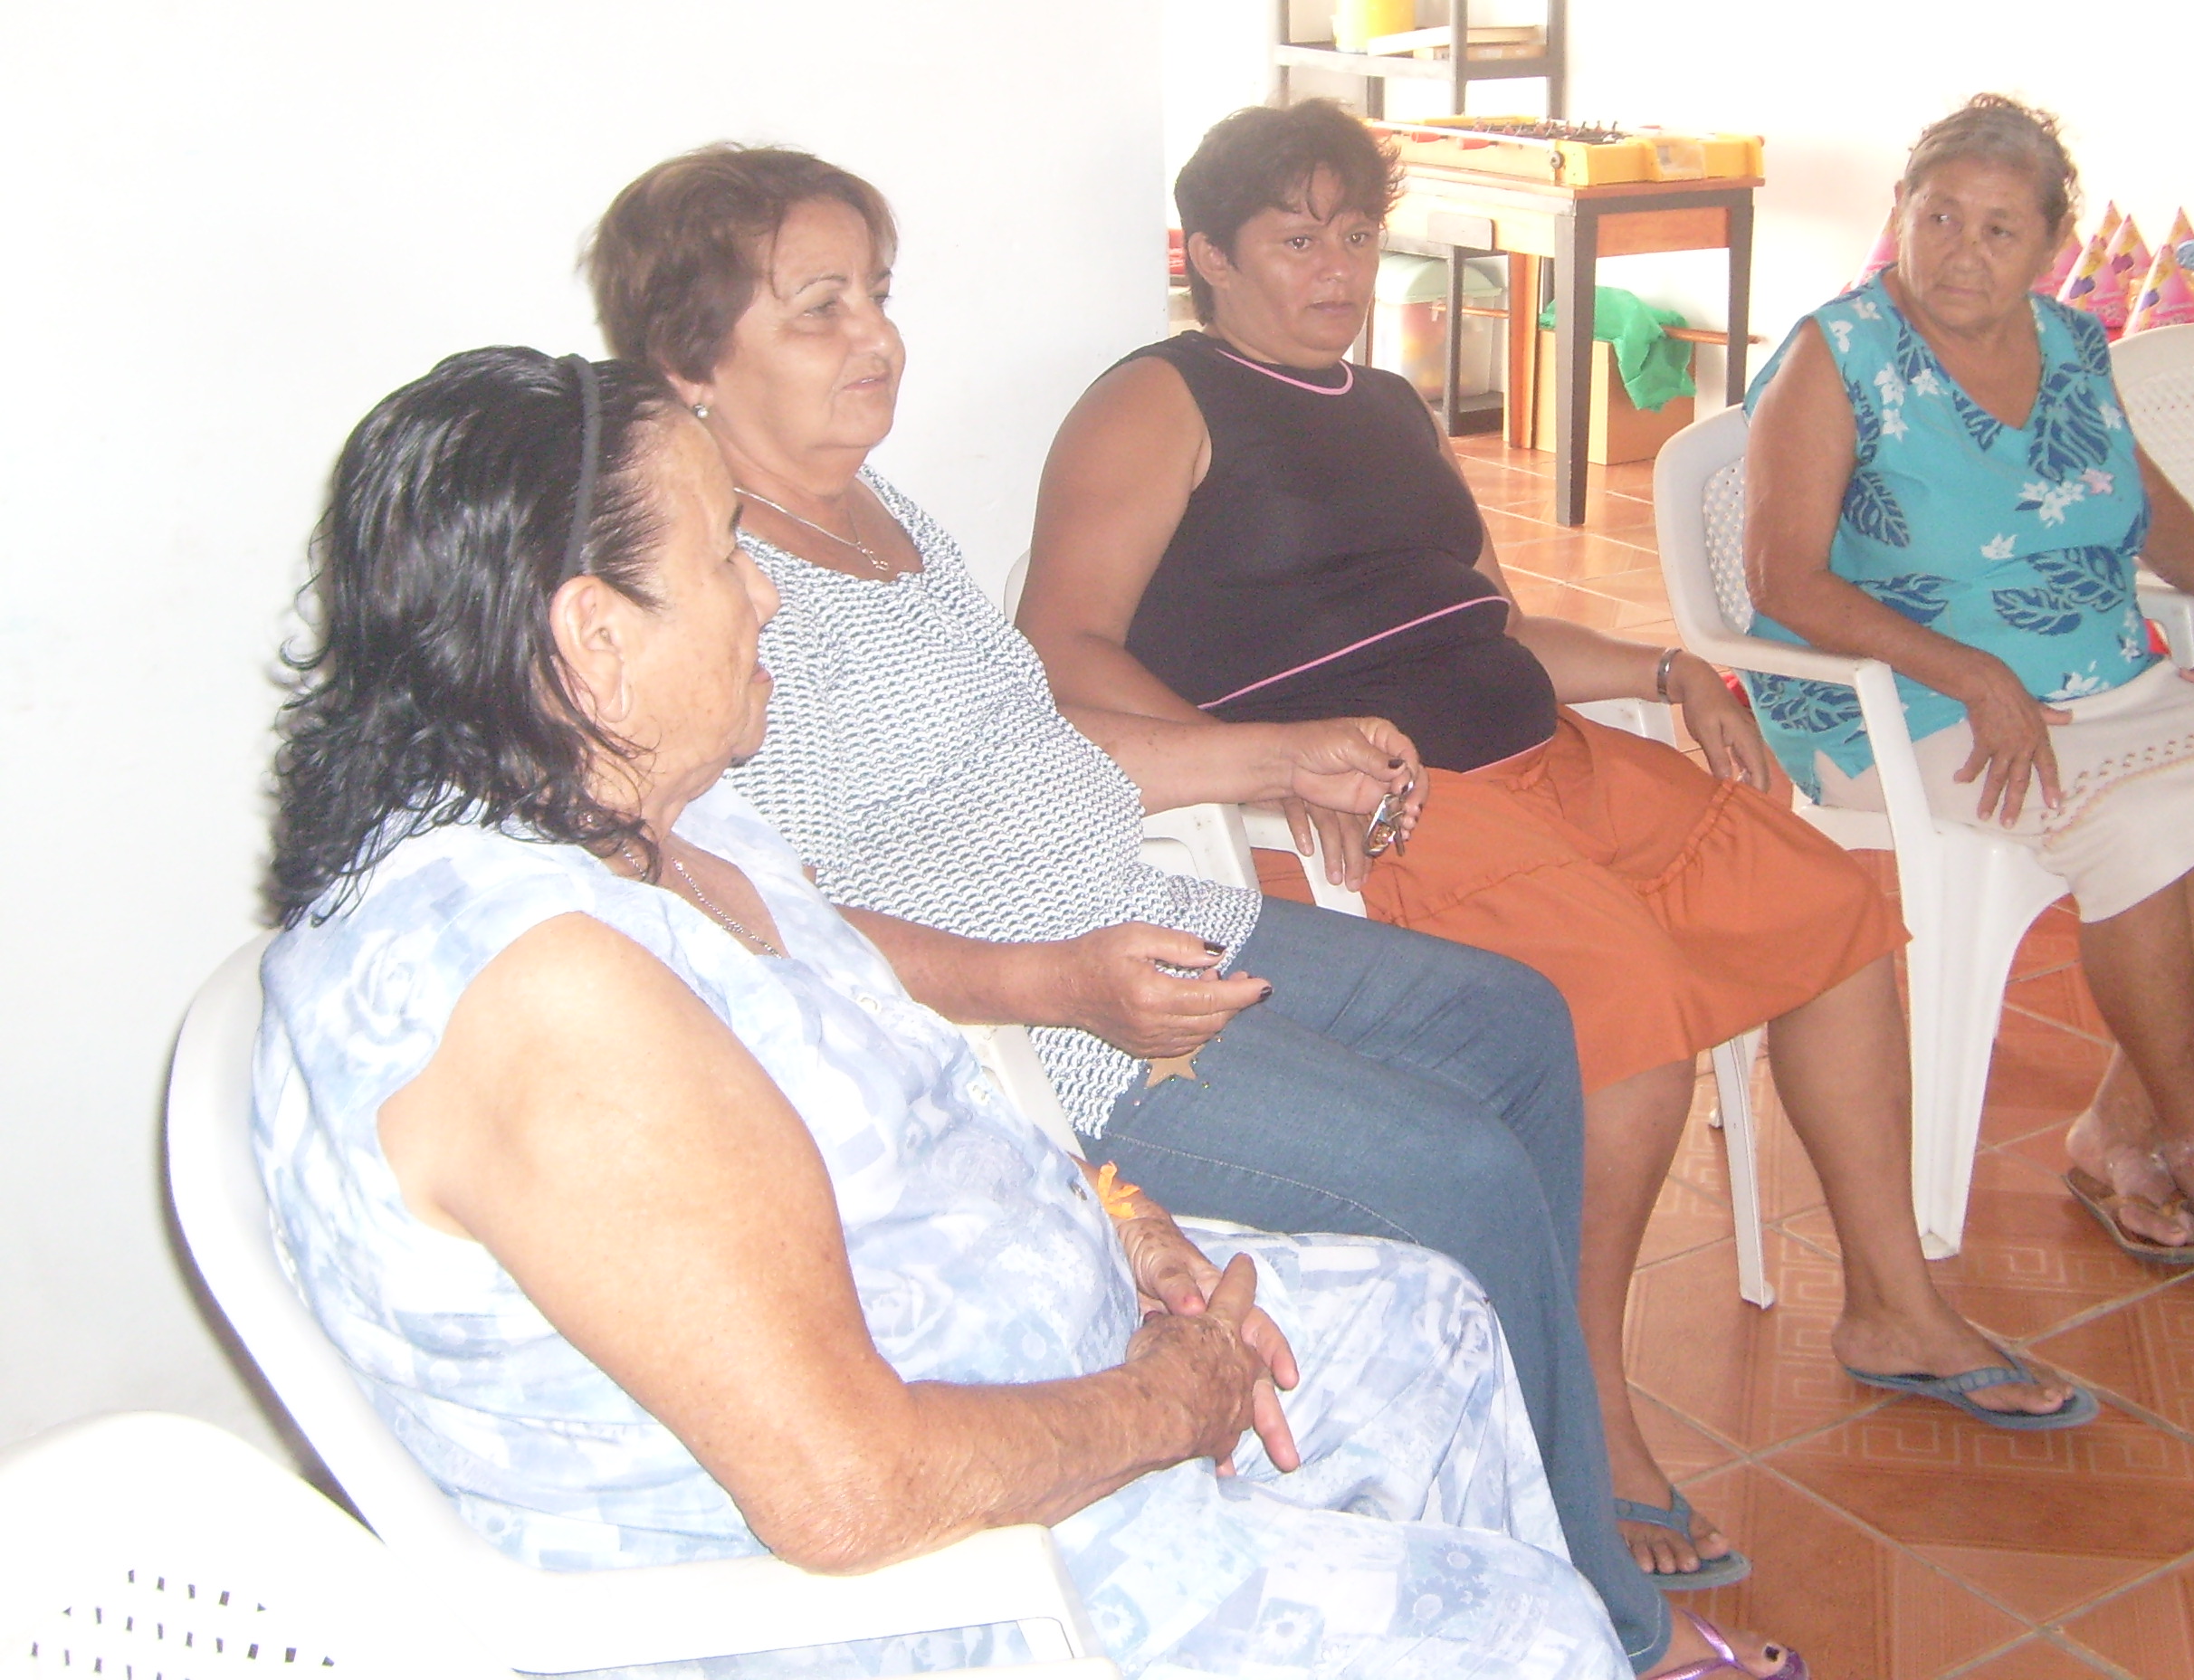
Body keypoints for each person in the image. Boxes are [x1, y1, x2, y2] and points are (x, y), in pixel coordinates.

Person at [255, 346, 1647, 1679]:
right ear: (594, 639)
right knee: (1534, 1634)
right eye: (727, 555)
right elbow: (844, 1491)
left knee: (1431, 1325)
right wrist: (1166, 1404)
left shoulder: (669, 822)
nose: (767, 595)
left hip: (1034, 1382)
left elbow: (909, 1092)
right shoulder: (544, 1000)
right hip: (926, 1590)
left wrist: (1119, 1220)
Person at [582, 148, 1791, 1680]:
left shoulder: (880, 514)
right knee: (1459, 1170)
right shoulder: (703, 601)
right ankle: (1606, 1610)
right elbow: (768, 919)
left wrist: (1278, 755)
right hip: (1038, 1023)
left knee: (1512, 1018)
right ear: (691, 357)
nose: (876, 336)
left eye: (875, 294)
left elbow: (1040, 740)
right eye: (818, 308)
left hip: (1133, 904)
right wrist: (1054, 982)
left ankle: (1526, 1461)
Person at [1018, 100, 2098, 1595]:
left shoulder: (1390, 407)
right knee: (1624, 1017)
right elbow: (1057, 644)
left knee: (1829, 908)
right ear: (1206, 254)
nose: (1336, 269)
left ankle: (1894, 1310)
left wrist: (1668, 668)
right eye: (1295, 240)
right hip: (1395, 807)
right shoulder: (1163, 399)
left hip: (1546, 762)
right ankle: (1585, 1420)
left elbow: (1496, 625)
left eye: (1356, 235)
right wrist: (1263, 762)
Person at [1739, 94, 2194, 1286]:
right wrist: (1969, 671)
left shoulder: (2070, 345)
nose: (1962, 251)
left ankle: (2119, 1128)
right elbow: (1781, 576)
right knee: (2131, 831)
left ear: (2053, 245)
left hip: (2089, 672)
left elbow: (2143, 502)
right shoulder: (1839, 353)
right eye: (1940, 217)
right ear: (1901, 213)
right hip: (1895, 695)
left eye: (2000, 229)